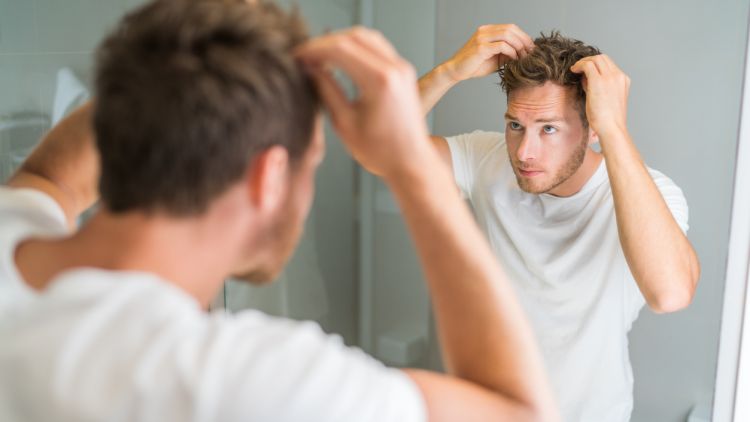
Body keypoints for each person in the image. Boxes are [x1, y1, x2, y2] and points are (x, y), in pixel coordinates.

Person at [0, 1, 559, 421]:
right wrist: (410, 162)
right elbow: (519, 410)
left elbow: (50, 176)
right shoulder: (238, 383)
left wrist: (193, 56)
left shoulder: (11, 230)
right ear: (269, 177)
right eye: (309, 162)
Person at [418, 26, 701, 421]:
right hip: (488, 409)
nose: (524, 152)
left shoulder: (650, 192)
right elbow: (379, 151)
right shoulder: (487, 157)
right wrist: (448, 71)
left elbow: (670, 293)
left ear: (592, 127)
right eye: (516, 125)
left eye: (548, 128)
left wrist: (614, 128)